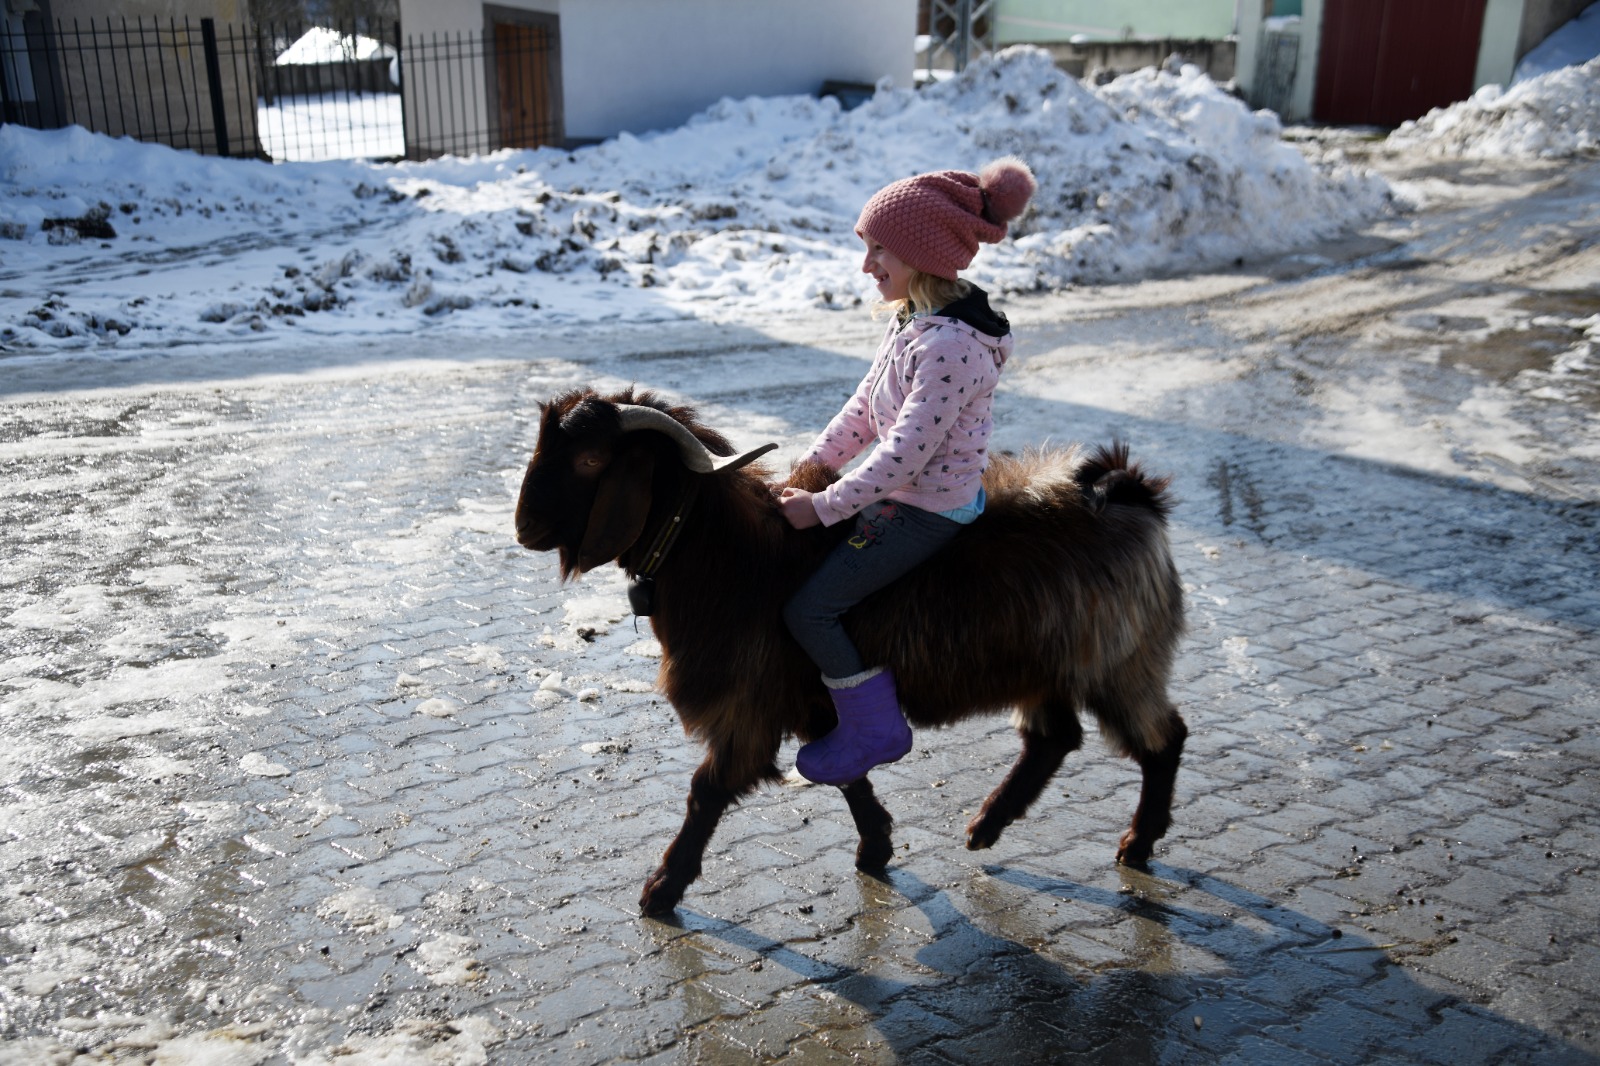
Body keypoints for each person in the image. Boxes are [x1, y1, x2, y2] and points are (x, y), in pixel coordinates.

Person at [778, 156, 1037, 786]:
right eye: (866, 248)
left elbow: (904, 453)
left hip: (928, 509)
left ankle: (875, 729)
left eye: (879, 250)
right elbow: (863, 409)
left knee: (811, 610)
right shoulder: (913, 321)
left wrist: (825, 507)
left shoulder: (951, 347)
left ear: (923, 256)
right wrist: (813, 468)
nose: (866, 265)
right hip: (903, 491)